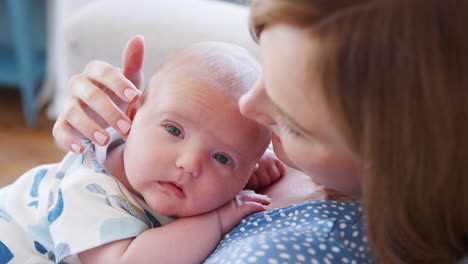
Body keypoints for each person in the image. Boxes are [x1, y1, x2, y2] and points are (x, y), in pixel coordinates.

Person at [52, 0, 468, 263]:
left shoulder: (284, 251)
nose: (248, 109)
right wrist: (109, 134)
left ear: (389, 159)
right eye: (266, 71)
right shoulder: (92, 181)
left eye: (290, 120)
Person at [0, 41, 289, 264]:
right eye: (174, 130)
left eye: (222, 158)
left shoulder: (150, 163)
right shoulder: (88, 191)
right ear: (133, 115)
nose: (189, 163)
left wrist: (250, 164)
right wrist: (215, 220)